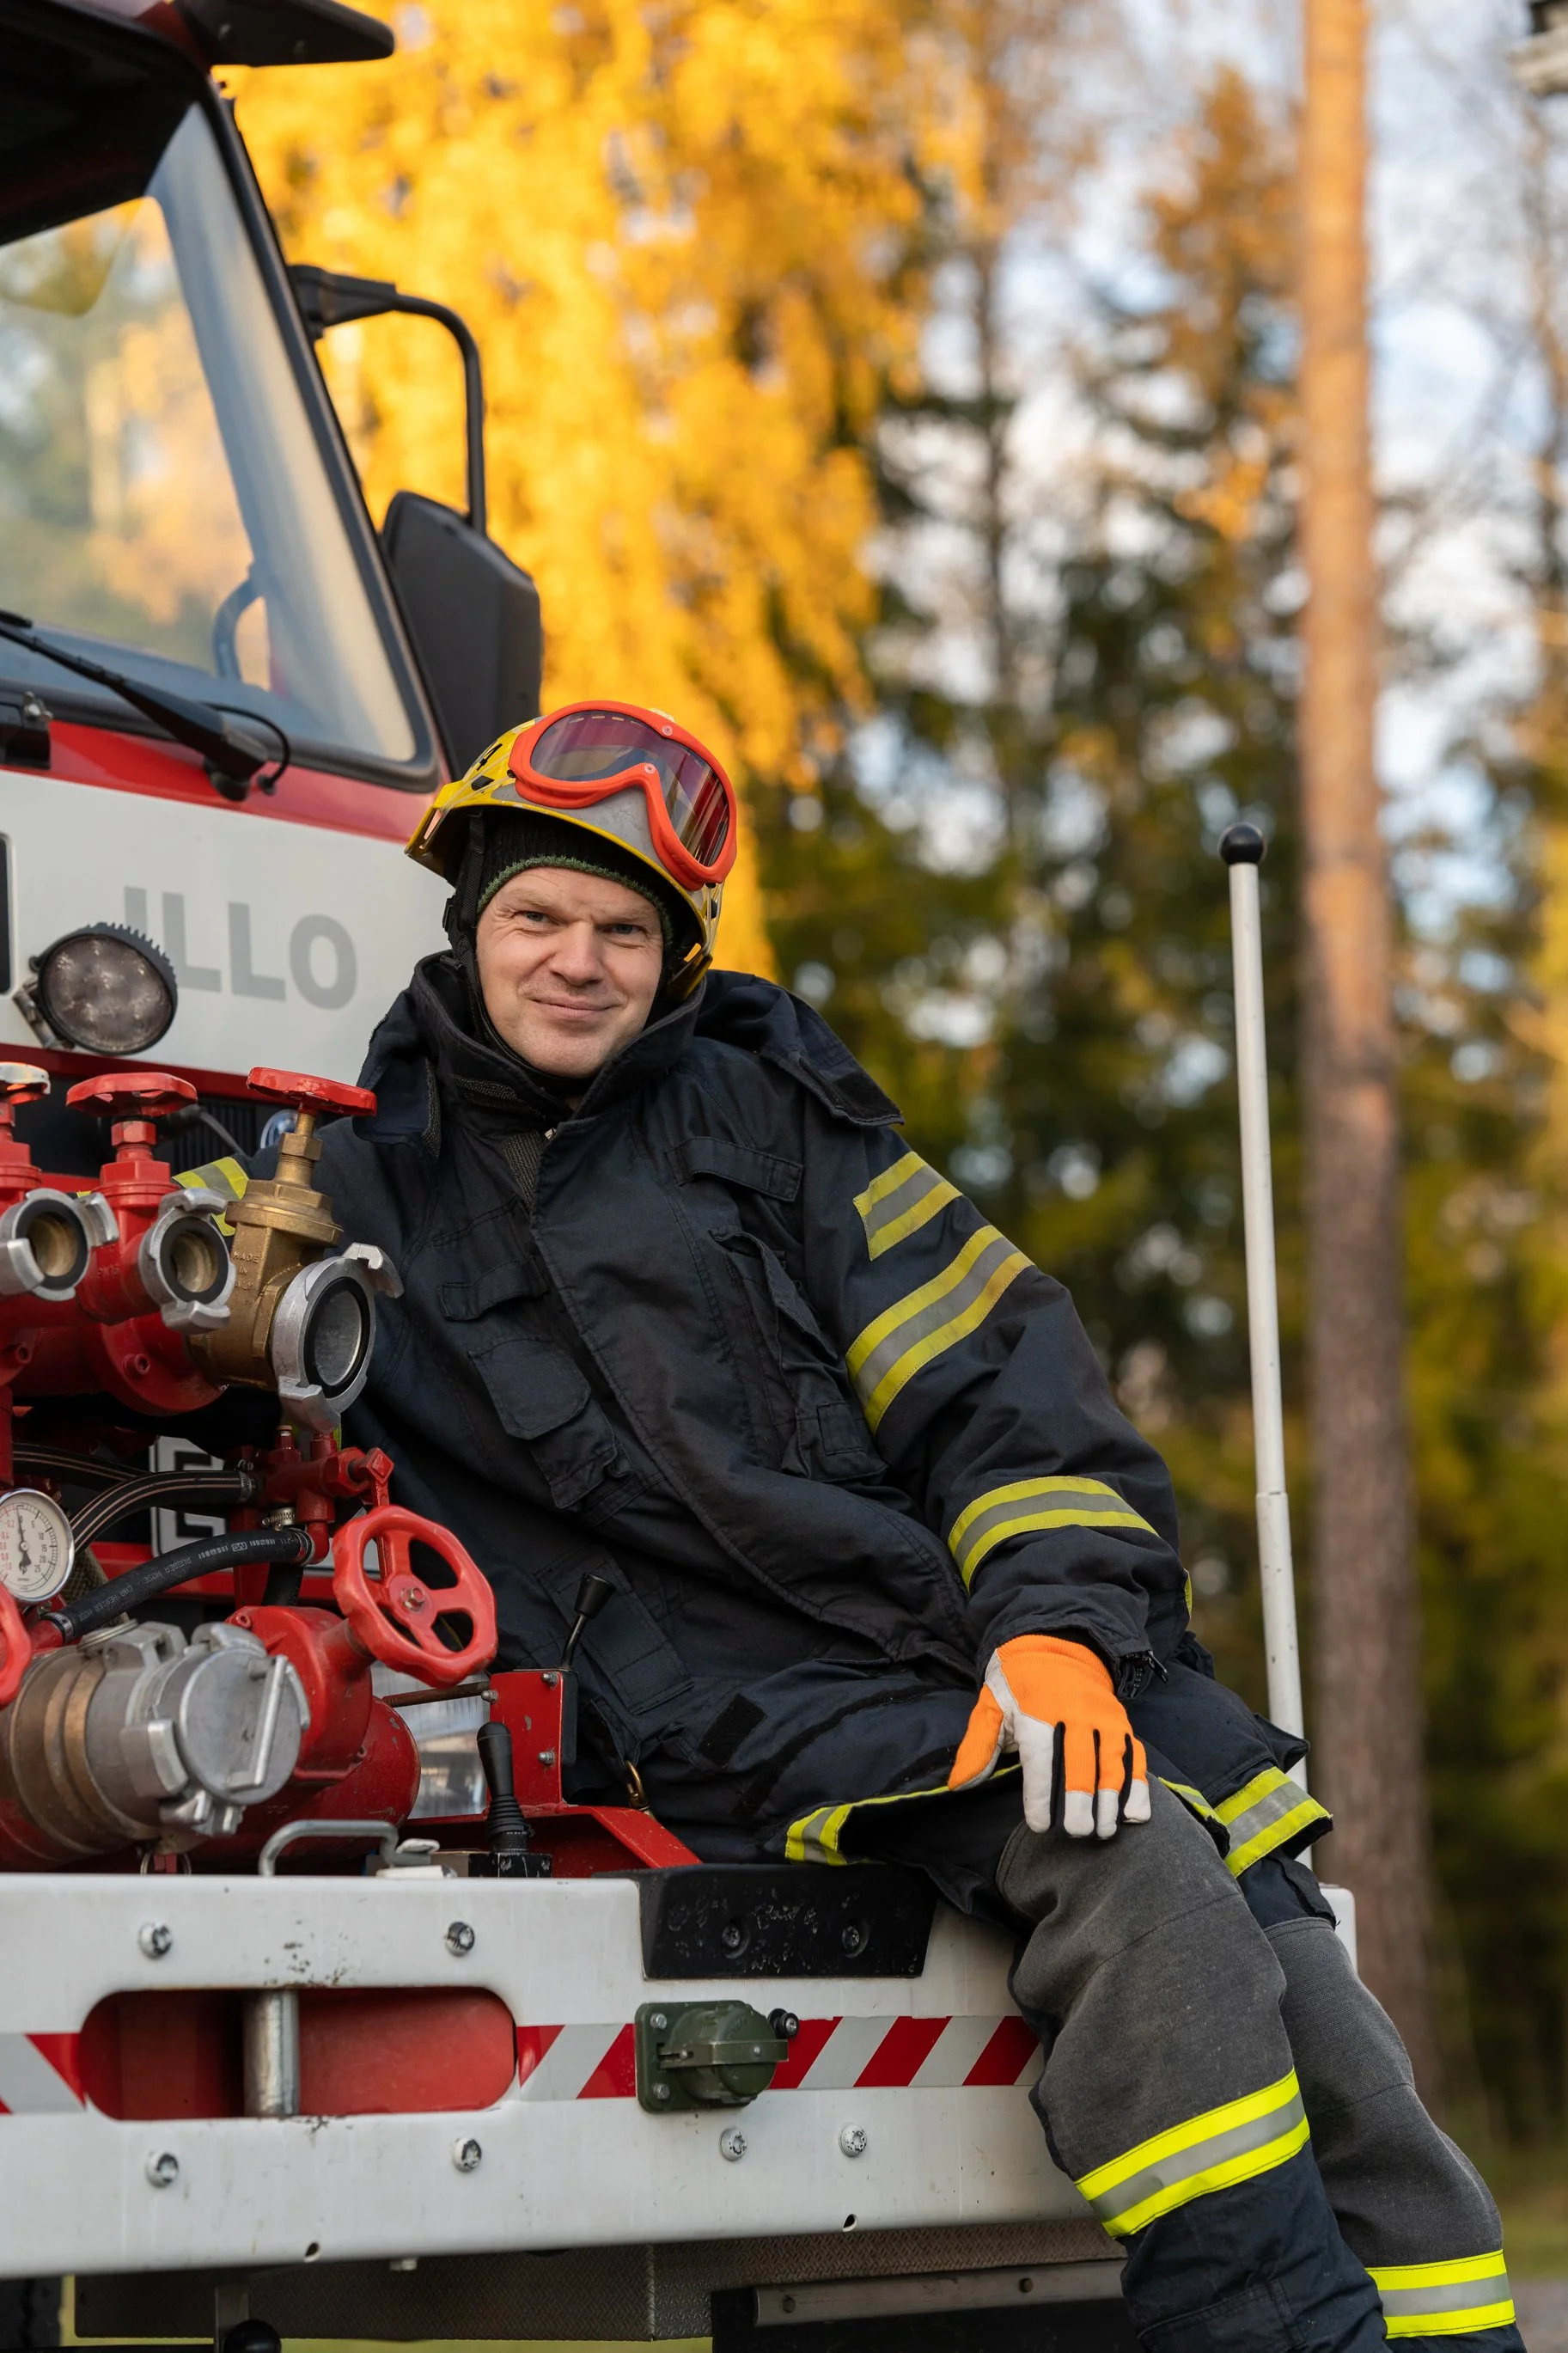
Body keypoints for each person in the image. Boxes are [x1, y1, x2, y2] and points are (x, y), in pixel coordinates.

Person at [307, 700, 1519, 2352]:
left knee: (1315, 1995)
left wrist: (1056, 1628)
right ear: (470, 926)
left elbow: (1008, 1388)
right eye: (538, 917)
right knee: (1134, 1865)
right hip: (731, 1711)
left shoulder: (779, 1122)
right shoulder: (350, 1187)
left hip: (963, 1644)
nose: (577, 961)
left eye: (622, 930)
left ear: (677, 958)